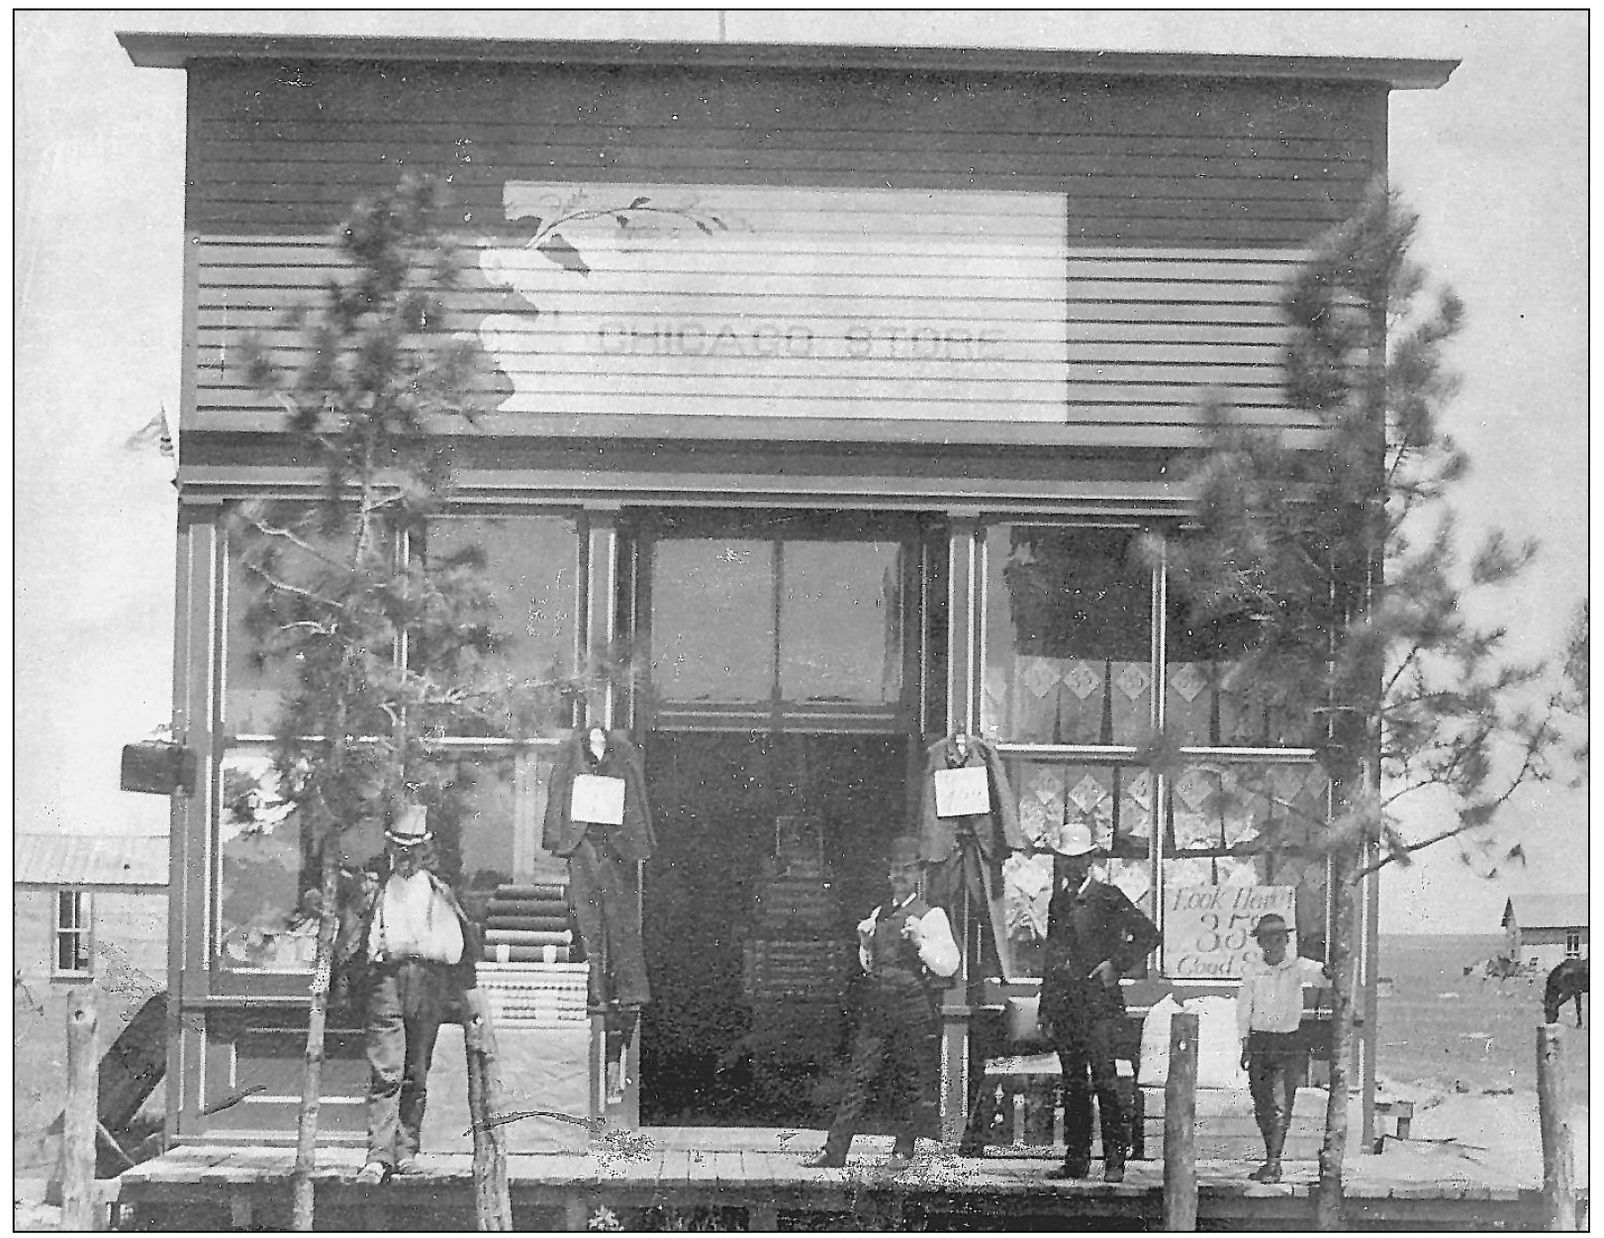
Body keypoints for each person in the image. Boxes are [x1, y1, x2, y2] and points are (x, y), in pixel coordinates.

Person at [336, 803, 482, 1186]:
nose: (406, 855)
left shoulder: (437, 892)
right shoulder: (376, 890)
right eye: (400, 847)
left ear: (425, 848)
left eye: (413, 848)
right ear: (389, 846)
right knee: (387, 1070)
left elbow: (452, 949)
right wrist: (396, 950)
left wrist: (416, 949)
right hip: (386, 984)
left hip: (427, 986)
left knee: (416, 1071)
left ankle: (407, 1151)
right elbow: (364, 945)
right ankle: (377, 1156)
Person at [805, 835, 960, 1169]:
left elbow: (949, 964)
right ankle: (834, 1151)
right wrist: (865, 944)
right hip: (878, 1006)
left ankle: (904, 1150)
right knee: (859, 1076)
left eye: (907, 870)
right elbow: (871, 965)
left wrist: (920, 942)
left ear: (918, 874)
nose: (900, 876)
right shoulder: (879, 913)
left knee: (911, 1079)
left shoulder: (931, 915)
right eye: (895, 870)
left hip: (912, 1006)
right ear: (889, 875)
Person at [1038, 820, 1159, 1183]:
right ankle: (1076, 1159)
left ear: (1091, 857)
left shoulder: (1109, 896)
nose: (1072, 865)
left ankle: (1114, 1161)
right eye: (1065, 859)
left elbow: (1149, 935)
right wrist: (1046, 1005)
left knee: (1105, 1081)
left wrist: (1116, 965)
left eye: (1078, 858)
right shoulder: (1058, 901)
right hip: (1066, 1006)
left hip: (1100, 1007)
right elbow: (1052, 956)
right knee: (1073, 1082)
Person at [1236, 912, 1326, 1183]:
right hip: (1260, 1042)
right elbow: (1244, 1009)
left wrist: (1330, 969)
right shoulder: (1252, 970)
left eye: (1279, 937)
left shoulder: (1298, 966)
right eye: (1267, 938)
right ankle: (1269, 1158)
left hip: (1288, 1041)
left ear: (1286, 939)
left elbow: (1323, 976)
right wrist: (1245, 1044)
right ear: (1260, 942)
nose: (1274, 943)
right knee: (1262, 1103)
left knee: (1281, 1103)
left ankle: (1274, 1162)